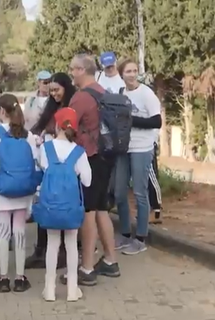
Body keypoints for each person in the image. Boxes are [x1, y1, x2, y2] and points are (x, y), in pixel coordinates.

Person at [67, 53, 120, 284]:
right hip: (106, 155)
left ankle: (87, 268)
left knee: (88, 210)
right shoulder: (103, 92)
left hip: (88, 157)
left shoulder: (80, 98)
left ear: (81, 69)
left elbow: (67, 127)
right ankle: (110, 260)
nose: (70, 72)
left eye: (72, 68)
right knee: (101, 209)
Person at [0, 93, 38, 293]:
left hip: (3, 187)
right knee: (19, 231)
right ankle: (20, 277)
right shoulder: (28, 134)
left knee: (3, 231)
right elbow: (33, 164)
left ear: (1, 111)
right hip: (23, 188)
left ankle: (3, 277)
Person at [39, 107, 92, 302]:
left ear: (57, 124)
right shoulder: (78, 152)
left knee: (52, 244)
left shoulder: (46, 149)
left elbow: (43, 168)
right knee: (71, 245)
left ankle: (49, 289)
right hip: (71, 207)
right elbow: (87, 181)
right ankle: (72, 290)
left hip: (51, 206)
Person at [27, 72, 77, 269]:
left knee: (61, 205)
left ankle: (62, 252)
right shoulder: (50, 106)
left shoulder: (71, 107)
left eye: (57, 90)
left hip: (64, 163)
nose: (54, 93)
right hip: (47, 161)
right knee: (44, 203)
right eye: (52, 90)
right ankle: (41, 250)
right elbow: (38, 127)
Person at [114, 58, 161, 255]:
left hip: (142, 147)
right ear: (121, 74)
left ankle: (141, 237)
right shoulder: (121, 93)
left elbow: (157, 121)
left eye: (134, 71)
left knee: (140, 193)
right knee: (119, 192)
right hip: (124, 147)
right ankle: (125, 233)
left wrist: (132, 121)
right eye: (128, 71)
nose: (132, 75)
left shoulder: (146, 93)